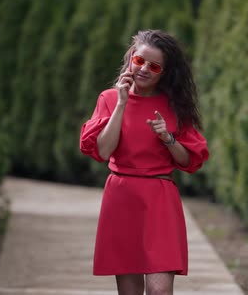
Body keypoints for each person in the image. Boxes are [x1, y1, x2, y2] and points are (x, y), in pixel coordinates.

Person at [79, 29, 209, 295]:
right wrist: (121, 104)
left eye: (154, 66)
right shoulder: (109, 99)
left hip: (160, 198)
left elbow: (190, 161)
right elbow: (103, 151)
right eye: (139, 61)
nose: (145, 69)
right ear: (130, 59)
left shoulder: (174, 106)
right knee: (129, 292)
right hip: (121, 197)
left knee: (160, 290)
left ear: (165, 72)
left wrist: (168, 138)